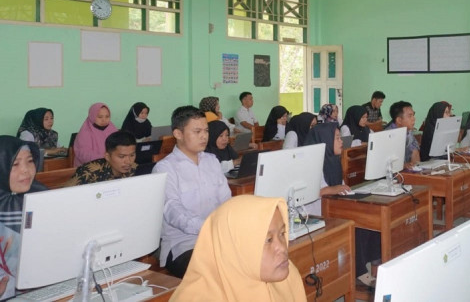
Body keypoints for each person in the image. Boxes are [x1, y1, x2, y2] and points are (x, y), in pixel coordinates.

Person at [171, 196, 305, 301]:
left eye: (282, 233)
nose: (282, 247)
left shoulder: (287, 277)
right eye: (268, 240)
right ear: (236, 249)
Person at [153, 106, 232, 278]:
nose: (204, 136)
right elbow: (173, 210)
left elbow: (226, 201)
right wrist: (208, 227)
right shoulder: (165, 168)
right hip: (184, 245)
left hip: (218, 237)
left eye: (206, 131)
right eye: (197, 131)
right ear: (178, 134)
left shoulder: (212, 161)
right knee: (217, 272)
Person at [302, 123, 380, 287]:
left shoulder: (333, 161)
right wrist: (334, 189)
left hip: (333, 207)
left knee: (371, 219)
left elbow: (341, 187)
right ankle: (360, 273)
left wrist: (343, 190)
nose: (341, 141)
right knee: (355, 225)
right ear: (324, 140)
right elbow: (313, 192)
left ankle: (376, 266)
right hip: (314, 215)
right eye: (337, 138)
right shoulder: (310, 164)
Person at [0, 136, 47, 299]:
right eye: (15, 164)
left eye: (30, 161)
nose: (26, 170)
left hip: (41, 289)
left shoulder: (42, 195)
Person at [65, 130, 137, 186]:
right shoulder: (89, 172)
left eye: (132, 155)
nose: (128, 161)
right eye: (122, 156)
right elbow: (65, 194)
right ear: (107, 156)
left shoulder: (136, 169)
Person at [74, 102, 119, 167]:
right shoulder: (85, 133)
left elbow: (120, 146)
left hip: (112, 165)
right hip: (89, 167)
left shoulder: (112, 129)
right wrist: (105, 158)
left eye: (107, 116)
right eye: (100, 117)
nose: (104, 120)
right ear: (92, 116)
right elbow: (84, 154)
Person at [385, 101, 420, 168]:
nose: (414, 119)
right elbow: (385, 164)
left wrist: (416, 169)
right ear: (399, 120)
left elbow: (415, 152)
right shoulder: (388, 136)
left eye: (413, 115)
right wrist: (402, 166)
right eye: (410, 116)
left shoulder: (408, 132)